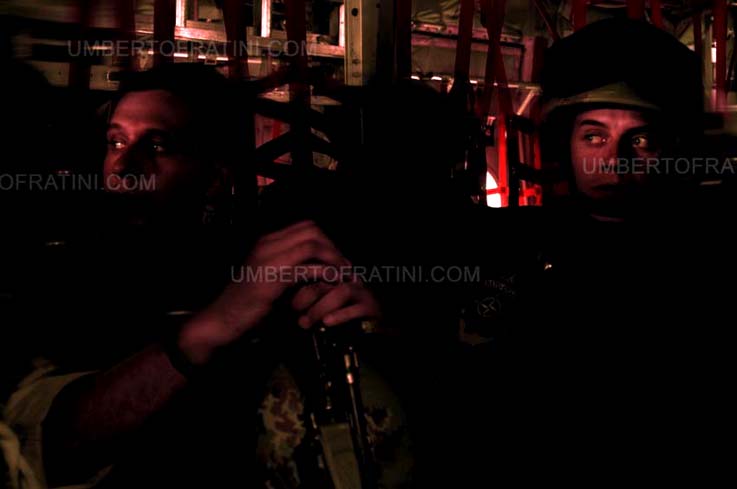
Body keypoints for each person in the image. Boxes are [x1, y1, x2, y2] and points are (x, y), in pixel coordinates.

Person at [3, 64, 410, 489]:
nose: (123, 166)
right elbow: (46, 444)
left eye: (157, 146)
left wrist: (377, 338)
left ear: (215, 177)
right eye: (116, 142)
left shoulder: (258, 270)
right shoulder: (60, 277)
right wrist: (214, 326)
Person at [457, 18, 733, 486]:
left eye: (640, 140)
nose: (614, 160)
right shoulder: (517, 244)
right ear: (565, 143)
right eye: (594, 136)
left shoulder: (705, 263)